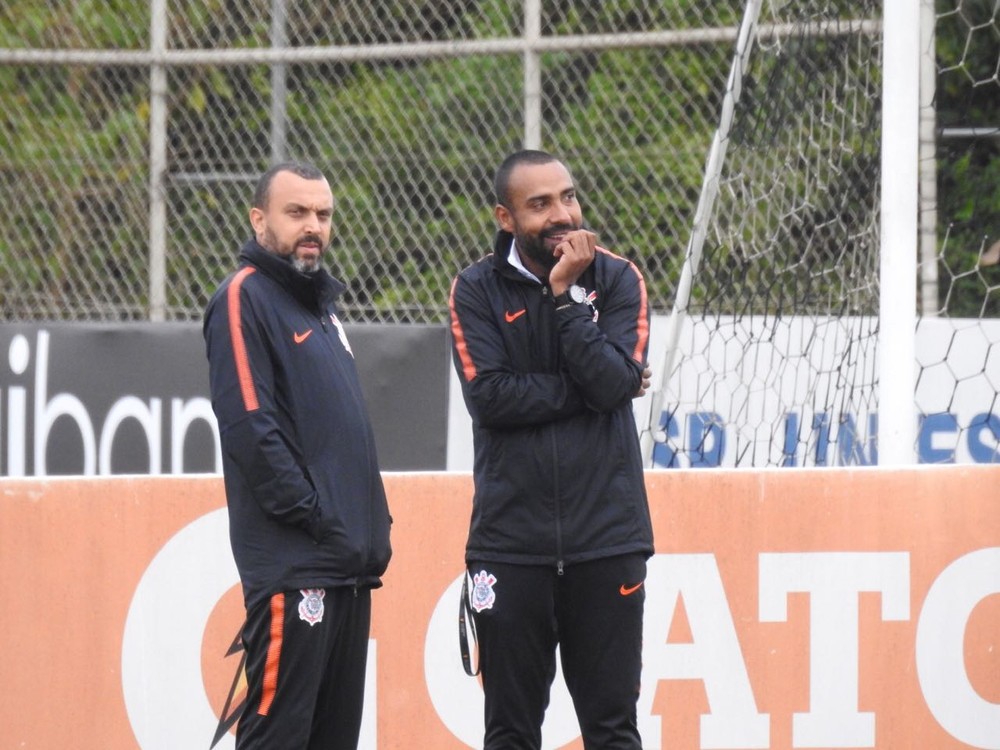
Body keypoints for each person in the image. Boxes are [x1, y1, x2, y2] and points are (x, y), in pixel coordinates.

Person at [448, 149, 654, 749]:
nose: (561, 214)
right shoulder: (476, 289)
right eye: (539, 204)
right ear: (505, 217)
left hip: (608, 543)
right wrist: (595, 390)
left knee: (613, 733)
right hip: (511, 548)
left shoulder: (617, 278)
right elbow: (491, 400)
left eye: (568, 196)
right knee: (510, 734)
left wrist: (565, 301)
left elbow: (615, 384)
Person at [203, 161, 392, 750]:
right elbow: (250, 428)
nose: (313, 225)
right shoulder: (242, 297)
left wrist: (367, 527)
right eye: (297, 213)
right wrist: (318, 515)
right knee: (279, 739)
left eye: (323, 214)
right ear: (259, 219)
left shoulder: (322, 307)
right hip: (297, 567)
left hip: (348, 568)